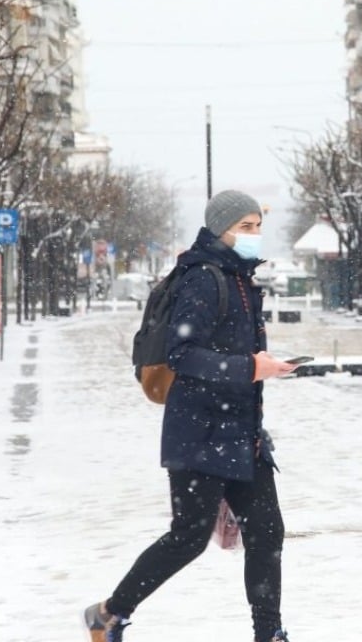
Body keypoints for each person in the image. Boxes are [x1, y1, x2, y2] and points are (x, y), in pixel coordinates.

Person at [84, 189, 296, 642]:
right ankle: (109, 614)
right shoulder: (204, 277)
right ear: (220, 229)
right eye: (245, 226)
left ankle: (270, 633)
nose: (254, 235)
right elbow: (183, 355)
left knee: (267, 531)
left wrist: (263, 369)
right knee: (188, 537)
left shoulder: (240, 278)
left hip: (242, 429)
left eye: (258, 226)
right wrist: (251, 367)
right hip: (200, 433)